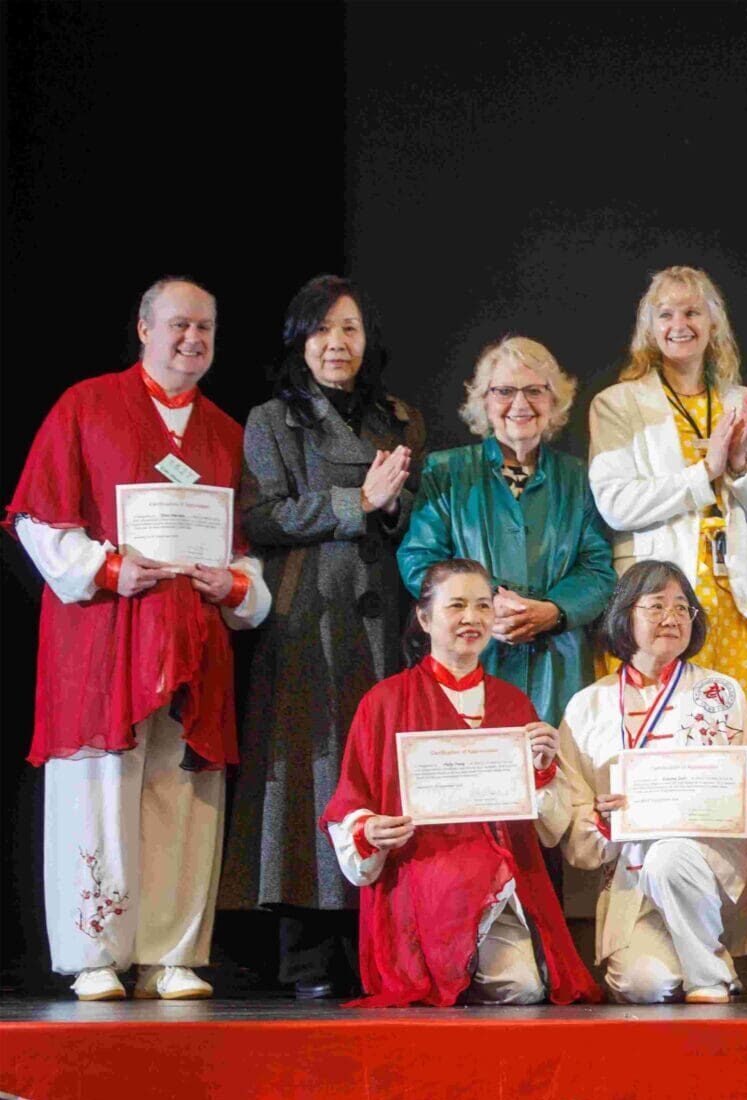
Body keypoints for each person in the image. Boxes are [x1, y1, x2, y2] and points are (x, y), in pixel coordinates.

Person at [9, 277, 273, 1001]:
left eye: (206, 329)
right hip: (103, 639)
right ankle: (95, 953)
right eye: (179, 325)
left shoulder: (226, 432)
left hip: (193, 646)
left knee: (183, 791)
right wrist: (109, 566)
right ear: (144, 329)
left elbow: (244, 547)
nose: (193, 339)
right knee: (99, 785)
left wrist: (239, 586)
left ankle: (171, 953)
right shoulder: (86, 406)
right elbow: (38, 521)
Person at [228, 275, 425, 999]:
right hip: (307, 612)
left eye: (349, 329)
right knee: (306, 771)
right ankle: (307, 957)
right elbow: (263, 518)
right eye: (321, 330)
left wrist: (393, 508)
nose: (336, 343)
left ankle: (374, 944)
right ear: (299, 341)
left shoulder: (400, 418)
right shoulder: (272, 419)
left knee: (374, 770)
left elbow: (414, 519)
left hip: (384, 616)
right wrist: (358, 501)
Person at [322, 558, 601, 1007]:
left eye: (482, 606)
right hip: (425, 881)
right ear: (425, 617)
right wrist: (369, 830)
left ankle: (466, 969)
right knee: (514, 987)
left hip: (500, 878)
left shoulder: (513, 704)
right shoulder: (384, 702)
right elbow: (351, 801)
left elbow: (547, 826)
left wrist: (544, 769)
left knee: (525, 989)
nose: (471, 619)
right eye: (456, 606)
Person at [588, 266, 747, 770]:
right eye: (667, 314)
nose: (681, 324)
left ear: (714, 324)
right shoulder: (618, 405)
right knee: (659, 754)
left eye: (693, 311)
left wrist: (741, 467)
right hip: (657, 604)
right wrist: (706, 473)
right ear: (649, 328)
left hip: (735, 602)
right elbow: (616, 503)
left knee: (739, 756)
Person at [553, 561, 747, 1003]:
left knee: (669, 856)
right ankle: (702, 958)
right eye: (656, 606)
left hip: (712, 871)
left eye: (682, 608)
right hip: (631, 878)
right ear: (625, 615)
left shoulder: (722, 693)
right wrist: (601, 822)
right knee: (645, 985)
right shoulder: (587, 707)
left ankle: (710, 976)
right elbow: (576, 836)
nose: (672, 618)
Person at [397, 335, 616, 725]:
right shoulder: (446, 471)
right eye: (504, 391)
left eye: (535, 390)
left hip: (559, 665)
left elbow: (598, 569)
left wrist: (554, 611)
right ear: (483, 400)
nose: (520, 404)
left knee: (556, 774)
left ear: (555, 400)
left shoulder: (578, 477)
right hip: (470, 656)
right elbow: (419, 560)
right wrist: (486, 604)